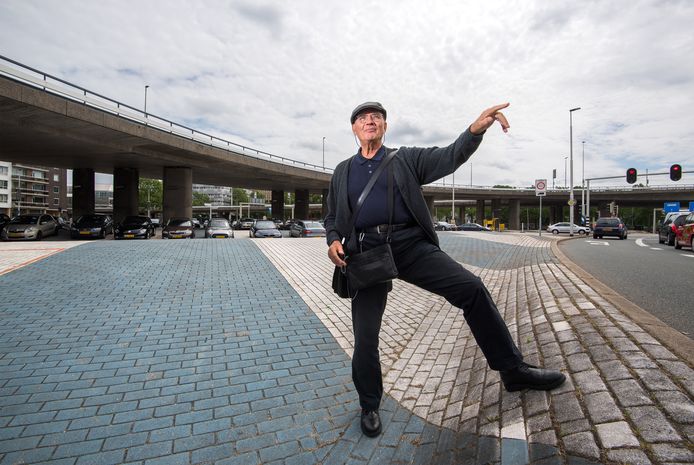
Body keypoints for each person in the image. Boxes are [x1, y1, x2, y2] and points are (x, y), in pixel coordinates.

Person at [324, 101, 566, 438]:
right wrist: (333, 239)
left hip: (410, 246)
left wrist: (474, 131)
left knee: (472, 288)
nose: (370, 121)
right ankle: (369, 403)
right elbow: (332, 215)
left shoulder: (405, 159)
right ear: (354, 128)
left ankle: (513, 370)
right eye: (363, 118)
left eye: (377, 117)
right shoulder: (342, 171)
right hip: (367, 253)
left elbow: (451, 155)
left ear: (384, 127)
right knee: (366, 337)